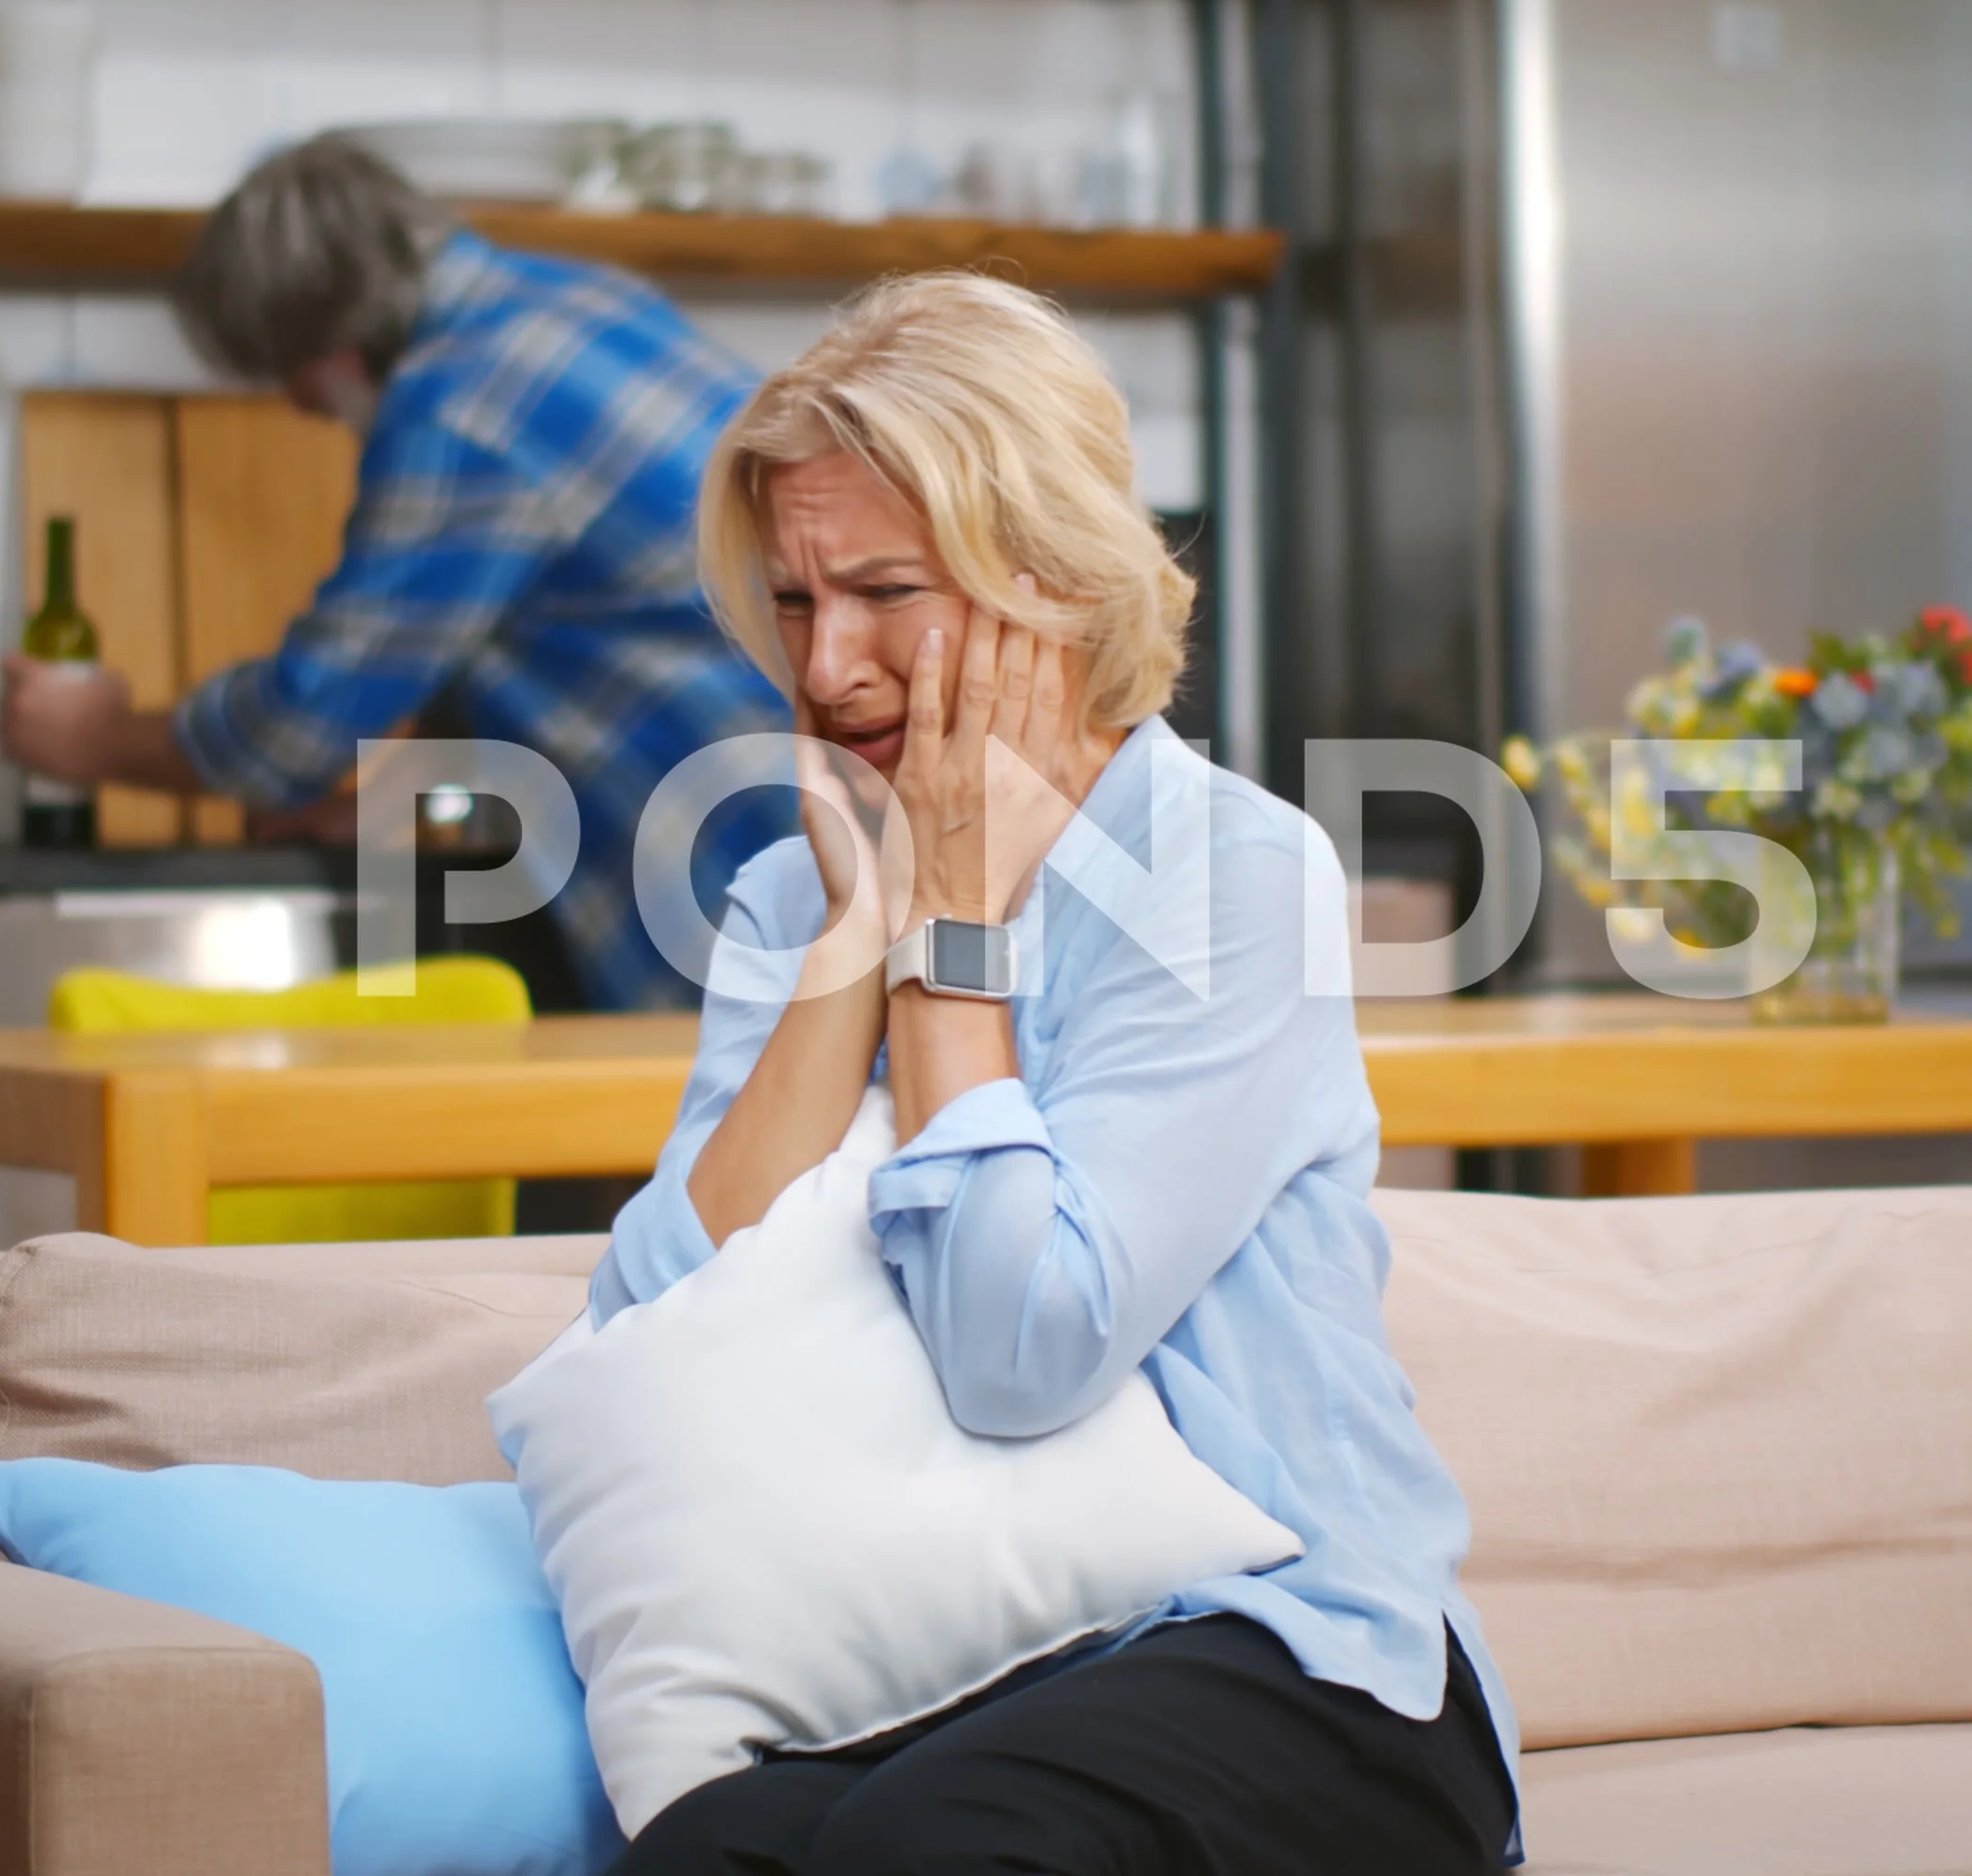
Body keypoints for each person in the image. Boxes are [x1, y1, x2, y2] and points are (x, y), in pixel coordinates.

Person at [591, 273, 1521, 1876]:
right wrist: (857, 937)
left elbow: (1023, 1349)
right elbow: (657, 1325)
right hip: (956, 1653)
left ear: (1061, 586)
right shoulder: (790, 894)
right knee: (703, 1852)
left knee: (941, 1845)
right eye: (796, 603)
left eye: (884, 591)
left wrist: (948, 934)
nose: (826, 668)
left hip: (1292, 1653)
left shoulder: (1228, 875)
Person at [0, 138, 791, 1009]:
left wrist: (94, 738)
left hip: (762, 884)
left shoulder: (462, 408)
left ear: (327, 348)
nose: (299, 408)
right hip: (826, 850)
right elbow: (555, 671)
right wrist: (390, 807)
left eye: (287, 378)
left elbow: (300, 725)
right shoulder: (579, 301)